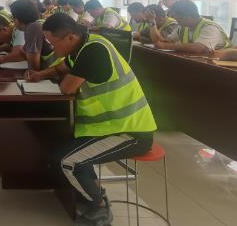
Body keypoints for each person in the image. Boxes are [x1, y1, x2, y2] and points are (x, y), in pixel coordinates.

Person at [40, 13, 156, 226]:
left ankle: (100, 206)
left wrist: (57, 76)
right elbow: (61, 68)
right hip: (107, 128)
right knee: (63, 149)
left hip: (130, 132)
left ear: (70, 37)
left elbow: (67, 88)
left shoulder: (94, 50)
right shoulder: (81, 47)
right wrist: (41, 75)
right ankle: (90, 196)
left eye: (52, 42)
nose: (51, 48)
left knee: (66, 161)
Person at [0, 0, 55, 71]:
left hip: (54, 70)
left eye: (13, 18)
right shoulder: (32, 26)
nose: (13, 21)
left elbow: (34, 66)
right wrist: (3, 59)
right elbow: (23, 54)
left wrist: (30, 73)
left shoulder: (33, 28)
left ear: (16, 19)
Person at [156, 0, 230, 52]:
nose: (176, 22)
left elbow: (198, 48)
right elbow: (167, 40)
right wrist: (163, 41)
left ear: (188, 17)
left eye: (177, 19)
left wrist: (166, 46)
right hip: (197, 62)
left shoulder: (210, 27)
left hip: (221, 65)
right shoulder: (182, 28)